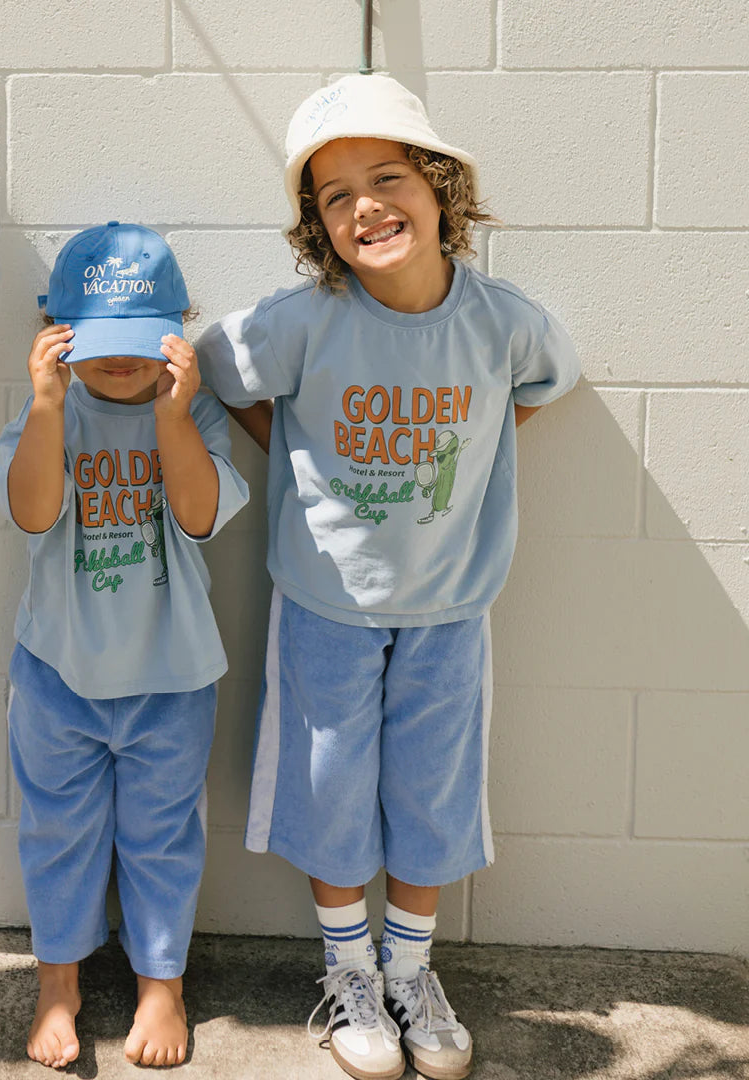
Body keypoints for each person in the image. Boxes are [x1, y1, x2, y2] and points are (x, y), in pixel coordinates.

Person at [196, 75, 580, 1080]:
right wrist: (293, 456)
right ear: (318, 227)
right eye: (334, 195)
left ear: (439, 187)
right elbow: (221, 369)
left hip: (452, 609)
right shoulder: (306, 321)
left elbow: (550, 380)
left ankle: (411, 972)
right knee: (330, 791)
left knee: (430, 794)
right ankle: (349, 974)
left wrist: (485, 447)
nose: (364, 204)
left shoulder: (502, 323)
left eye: (387, 177)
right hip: (326, 604)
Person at [0, 222, 248, 1070]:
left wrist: (176, 415)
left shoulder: (193, 411)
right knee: (56, 832)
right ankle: (58, 983)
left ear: (176, 338)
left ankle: (160, 985)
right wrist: (46, 406)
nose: (120, 364)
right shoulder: (47, 411)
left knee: (161, 836)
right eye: (98, 345)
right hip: (58, 674)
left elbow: (199, 515)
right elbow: (31, 511)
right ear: (56, 340)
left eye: (140, 346)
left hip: (170, 679)